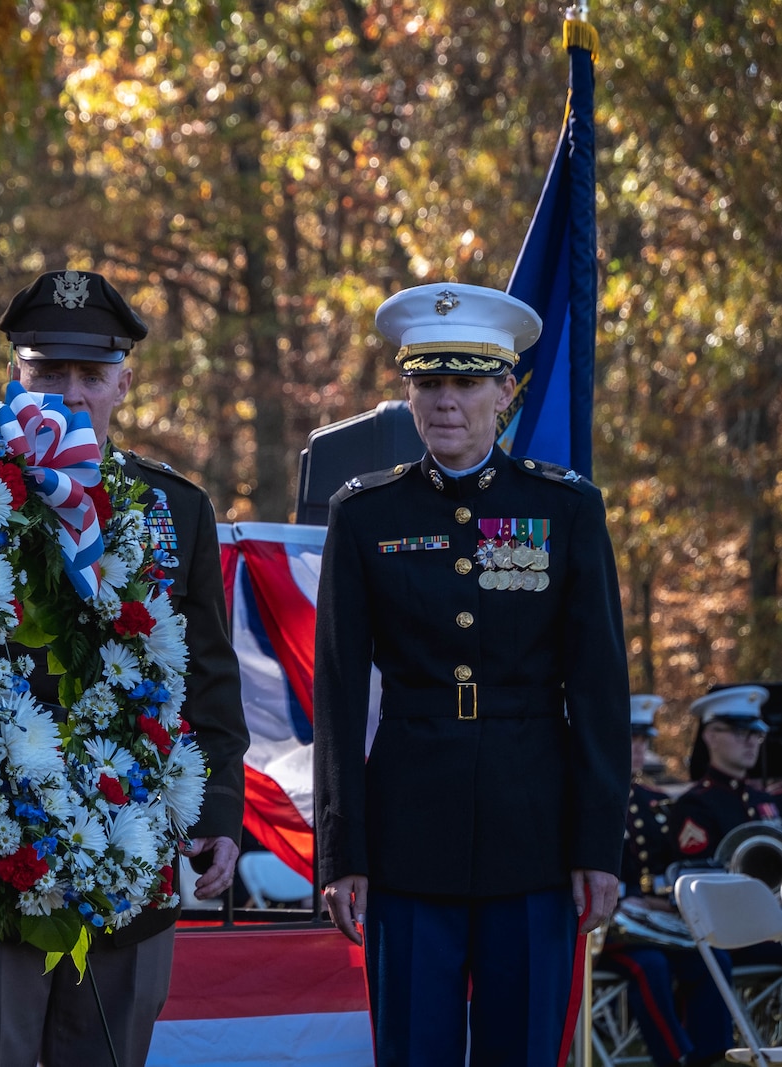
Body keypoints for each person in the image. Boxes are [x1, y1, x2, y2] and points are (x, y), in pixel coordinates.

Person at [0, 270, 249, 1067]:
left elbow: (208, 679)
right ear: (15, 376)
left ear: (125, 381)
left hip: (127, 854)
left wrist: (215, 811)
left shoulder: (173, 508)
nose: (71, 393)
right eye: (48, 373)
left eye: (90, 375)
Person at [313, 282, 631, 1065]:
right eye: (427, 382)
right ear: (407, 392)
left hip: (535, 832)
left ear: (505, 392)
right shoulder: (363, 514)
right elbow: (339, 694)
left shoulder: (564, 509)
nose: (444, 401)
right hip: (406, 833)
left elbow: (597, 687)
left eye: (464, 382)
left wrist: (598, 844)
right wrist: (341, 851)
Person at [600, 694, 733, 1067]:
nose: (640, 748)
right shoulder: (592, 797)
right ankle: (674, 1057)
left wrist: (662, 900)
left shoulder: (652, 800)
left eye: (644, 739)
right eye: (632, 739)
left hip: (651, 918)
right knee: (650, 966)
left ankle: (713, 1054)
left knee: (712, 958)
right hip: (607, 928)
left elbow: (671, 866)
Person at [669, 685, 777, 864]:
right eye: (741, 732)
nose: (751, 742)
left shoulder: (762, 798)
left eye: (756, 733)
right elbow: (700, 874)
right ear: (711, 736)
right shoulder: (695, 805)